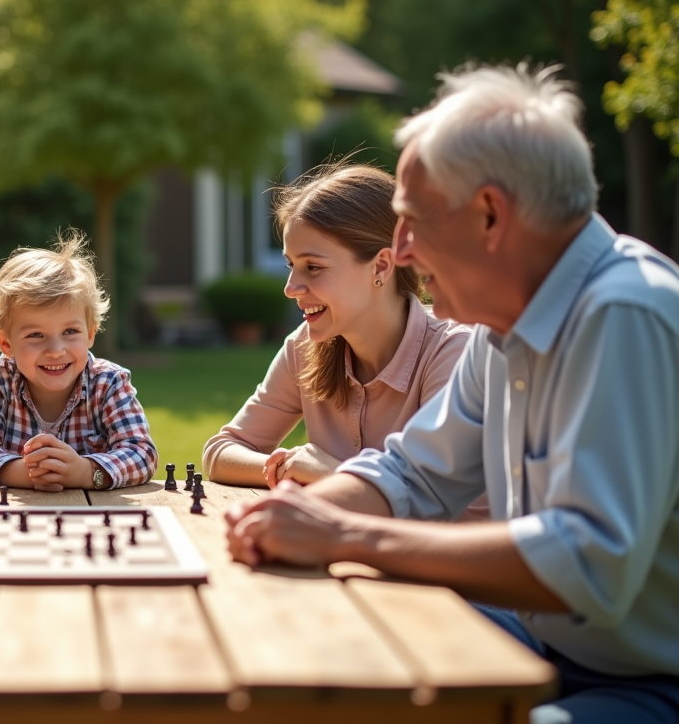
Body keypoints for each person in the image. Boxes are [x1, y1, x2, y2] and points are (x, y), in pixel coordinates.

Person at [225, 64, 679, 723]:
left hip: (649, 682)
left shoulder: (624, 313)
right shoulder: (503, 329)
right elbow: (412, 473)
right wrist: (288, 522)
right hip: (547, 647)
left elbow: (586, 562)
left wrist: (343, 535)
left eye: (412, 222)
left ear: (490, 214)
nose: (402, 252)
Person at [202, 164, 472, 493]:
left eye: (313, 267)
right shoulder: (304, 348)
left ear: (381, 266)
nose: (290, 288)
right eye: (291, 265)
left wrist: (334, 475)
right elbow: (221, 452)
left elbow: (436, 501)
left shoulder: (453, 354)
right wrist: (286, 468)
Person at [0, 233, 157, 491]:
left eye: (70, 332)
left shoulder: (109, 383)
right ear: (5, 342)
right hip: (19, 512)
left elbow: (142, 453)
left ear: (91, 334)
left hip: (92, 513)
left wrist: (86, 473)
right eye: (36, 335)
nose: (55, 350)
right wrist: (27, 474)